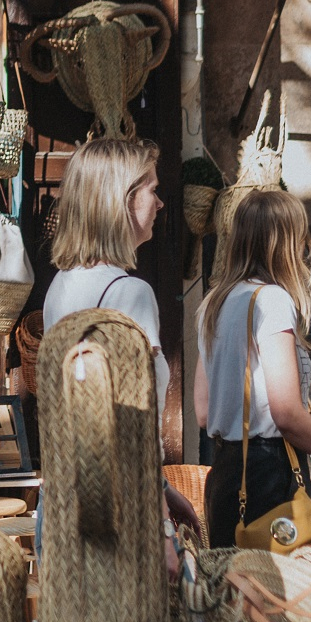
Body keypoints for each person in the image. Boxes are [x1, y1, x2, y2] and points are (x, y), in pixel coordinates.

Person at [43, 137, 202, 564]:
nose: (161, 203)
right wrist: (163, 524)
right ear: (123, 201)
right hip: (120, 515)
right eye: (151, 189)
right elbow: (132, 425)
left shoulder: (61, 285)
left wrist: (167, 491)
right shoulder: (131, 294)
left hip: (64, 504)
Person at [194, 189, 311, 548]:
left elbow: (204, 411)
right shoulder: (272, 300)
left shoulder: (216, 301)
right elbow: (286, 412)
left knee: (238, 597)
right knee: (284, 596)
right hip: (267, 476)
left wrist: (310, 423)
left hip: (227, 474)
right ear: (289, 243)